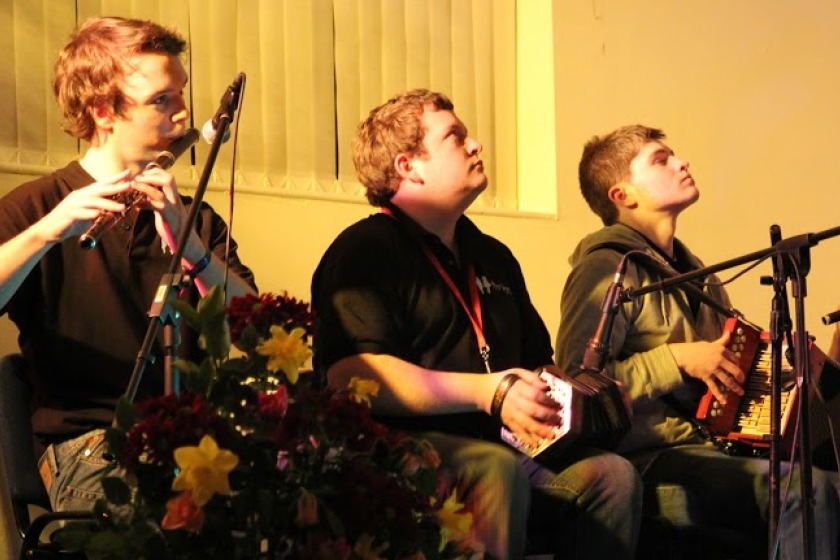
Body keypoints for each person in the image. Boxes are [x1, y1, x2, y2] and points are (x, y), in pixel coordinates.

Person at [311, 89, 641, 559]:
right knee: (494, 470)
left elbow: (538, 366)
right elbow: (352, 376)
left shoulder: (492, 257)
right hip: (401, 453)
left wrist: (587, 401)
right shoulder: (365, 250)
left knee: (612, 477)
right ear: (409, 166)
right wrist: (488, 392)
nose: (476, 145)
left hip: (507, 451)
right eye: (455, 137)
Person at [0, 17, 257, 512]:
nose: (184, 115)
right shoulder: (35, 208)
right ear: (103, 112)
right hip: (90, 446)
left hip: (189, 440)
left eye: (182, 94)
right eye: (161, 100)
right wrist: (46, 233)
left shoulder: (195, 216)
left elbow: (252, 328)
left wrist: (194, 253)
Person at [555, 124, 840, 559]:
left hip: (709, 448)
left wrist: (780, 366)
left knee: (832, 481)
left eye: (675, 155)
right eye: (660, 159)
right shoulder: (606, 268)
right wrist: (678, 359)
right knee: (808, 490)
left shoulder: (700, 274)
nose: (681, 162)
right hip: (646, 460)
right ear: (622, 195)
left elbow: (724, 377)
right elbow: (577, 383)